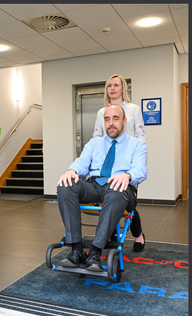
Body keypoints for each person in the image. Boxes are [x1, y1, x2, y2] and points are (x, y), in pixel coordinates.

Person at [57, 104, 147, 271]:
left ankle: (95, 252)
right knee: (66, 184)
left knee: (117, 189)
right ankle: (76, 250)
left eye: (115, 118)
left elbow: (141, 170)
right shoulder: (94, 143)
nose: (111, 123)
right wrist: (72, 170)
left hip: (120, 186)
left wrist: (127, 175)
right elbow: (82, 162)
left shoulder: (136, 144)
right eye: (107, 119)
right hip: (94, 185)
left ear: (125, 121)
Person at [93, 74, 146, 252]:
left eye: (116, 85)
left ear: (123, 88)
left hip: (128, 162)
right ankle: (112, 233)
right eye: (109, 85)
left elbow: (141, 137)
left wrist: (138, 163)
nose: (112, 88)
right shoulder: (102, 112)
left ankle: (138, 234)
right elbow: (97, 138)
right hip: (109, 163)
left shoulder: (134, 109)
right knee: (110, 197)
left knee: (128, 201)